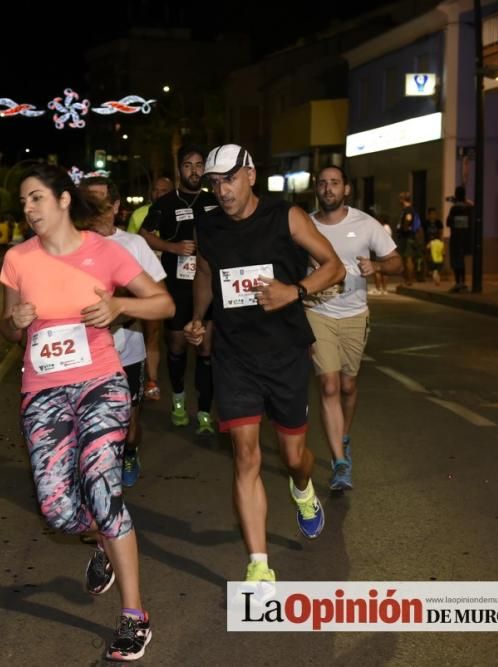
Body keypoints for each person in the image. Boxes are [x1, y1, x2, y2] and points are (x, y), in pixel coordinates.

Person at [0, 164, 172, 661]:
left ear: (63, 200)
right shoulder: (17, 259)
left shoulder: (103, 252)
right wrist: (15, 321)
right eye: (24, 202)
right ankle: (102, 540)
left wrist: (120, 306)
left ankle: (134, 616)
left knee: (102, 484)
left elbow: (162, 303)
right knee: (56, 508)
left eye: (36, 198)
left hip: (100, 382)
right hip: (44, 391)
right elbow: (7, 330)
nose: (29, 209)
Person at [184, 144, 345, 581]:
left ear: (250, 175)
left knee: (294, 456)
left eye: (230, 179)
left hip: (286, 352)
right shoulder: (209, 226)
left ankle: (302, 488)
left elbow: (334, 266)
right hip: (235, 357)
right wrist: (198, 319)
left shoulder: (286, 216)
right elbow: (204, 274)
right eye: (214, 182)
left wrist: (294, 291)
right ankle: (259, 565)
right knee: (246, 456)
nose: (222, 190)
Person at [307, 165, 401, 491]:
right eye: (323, 184)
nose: (328, 189)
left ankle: (343, 437)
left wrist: (376, 265)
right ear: (316, 189)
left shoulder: (364, 224)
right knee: (329, 386)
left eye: (335, 183)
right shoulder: (305, 225)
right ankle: (340, 462)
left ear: (346, 189)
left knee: (348, 386)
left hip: (355, 314)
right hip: (318, 312)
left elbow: (396, 260)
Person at [81, 175, 169, 488]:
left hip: (127, 346)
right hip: (85, 350)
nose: (92, 206)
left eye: (99, 199)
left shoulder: (133, 244)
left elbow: (159, 296)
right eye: (86, 198)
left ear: (116, 205)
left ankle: (130, 451)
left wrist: (122, 305)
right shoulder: (73, 243)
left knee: (129, 425)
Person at [139, 146, 217, 432]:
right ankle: (179, 399)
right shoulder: (166, 202)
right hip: (177, 285)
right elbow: (144, 234)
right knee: (177, 346)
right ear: (180, 170)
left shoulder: (215, 200)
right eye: (188, 165)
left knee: (207, 349)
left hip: (208, 285)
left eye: (199, 165)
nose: (194, 170)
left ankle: (206, 411)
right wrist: (172, 247)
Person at [126, 177, 171, 401]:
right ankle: (136, 375)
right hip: (141, 283)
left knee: (154, 333)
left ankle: (152, 379)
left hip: (170, 282)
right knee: (139, 332)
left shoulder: (177, 212)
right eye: (155, 189)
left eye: (164, 190)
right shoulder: (138, 215)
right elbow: (126, 248)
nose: (159, 194)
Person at [445, 186, 473, 293]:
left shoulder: (455, 208)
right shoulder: (468, 207)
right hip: (465, 237)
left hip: (456, 237)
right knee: (462, 261)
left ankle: (458, 282)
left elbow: (449, 222)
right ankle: (463, 282)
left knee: (456, 261)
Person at [396, 191, 420, 286]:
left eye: (400, 199)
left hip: (407, 237)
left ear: (403, 200)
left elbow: (408, 220)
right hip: (405, 237)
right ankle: (407, 280)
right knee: (405, 258)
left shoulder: (408, 210)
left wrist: (405, 228)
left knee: (408, 258)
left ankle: (409, 280)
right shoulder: (406, 210)